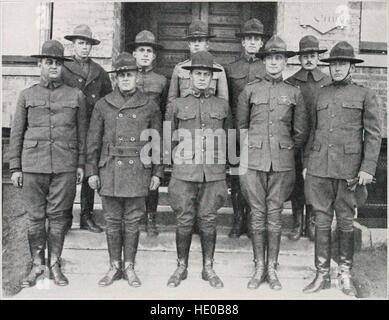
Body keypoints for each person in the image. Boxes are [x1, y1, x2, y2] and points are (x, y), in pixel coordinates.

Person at [303, 41, 381, 296]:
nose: (337, 69)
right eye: (334, 64)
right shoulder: (320, 93)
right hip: (319, 169)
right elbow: (312, 131)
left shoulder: (364, 94)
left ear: (351, 67)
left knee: (346, 223)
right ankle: (322, 274)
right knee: (322, 222)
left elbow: (373, 135)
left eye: (342, 64)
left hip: (349, 172)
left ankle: (345, 274)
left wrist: (367, 169)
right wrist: (307, 164)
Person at [9, 40, 87, 287]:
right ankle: (36, 265)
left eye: (57, 63)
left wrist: (81, 165)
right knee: (34, 218)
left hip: (65, 165)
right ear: (39, 64)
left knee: (58, 217)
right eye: (49, 62)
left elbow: (82, 134)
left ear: (63, 66)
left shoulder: (76, 95)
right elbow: (17, 133)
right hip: (33, 166)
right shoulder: (27, 95)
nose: (54, 67)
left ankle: (54, 263)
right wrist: (15, 167)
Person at [86, 52, 163, 287]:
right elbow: (93, 142)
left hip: (138, 169)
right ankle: (114, 266)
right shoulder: (103, 104)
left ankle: (129, 266)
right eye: (121, 75)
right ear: (116, 79)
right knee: (112, 220)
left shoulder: (150, 105)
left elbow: (156, 142)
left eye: (129, 74)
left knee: (132, 221)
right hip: (109, 168)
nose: (126, 79)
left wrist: (158, 173)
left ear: (137, 76)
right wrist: (92, 171)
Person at [237, 36, 308, 290]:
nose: (274, 63)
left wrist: (283, 149)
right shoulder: (250, 90)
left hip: (282, 163)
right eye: (270, 58)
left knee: (275, 215)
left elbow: (300, 133)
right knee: (257, 214)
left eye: (279, 58)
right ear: (264, 61)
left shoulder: (294, 93)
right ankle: (258, 267)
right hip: (253, 162)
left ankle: (272, 268)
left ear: (285, 62)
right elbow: (242, 128)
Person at [165, 51, 231, 288]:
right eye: (198, 74)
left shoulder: (222, 105)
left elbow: (229, 137)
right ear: (190, 76)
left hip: (213, 173)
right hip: (184, 173)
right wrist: (169, 168)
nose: (202, 78)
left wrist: (227, 169)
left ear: (212, 78)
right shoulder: (177, 104)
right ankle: (181, 266)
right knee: (184, 220)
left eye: (206, 74)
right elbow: (167, 139)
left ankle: (208, 268)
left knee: (208, 220)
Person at [62, 24, 113, 233]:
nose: (84, 48)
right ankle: (64, 216)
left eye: (87, 44)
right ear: (73, 45)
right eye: (80, 43)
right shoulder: (63, 69)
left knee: (89, 168)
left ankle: (86, 215)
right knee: (67, 171)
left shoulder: (99, 72)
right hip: (69, 126)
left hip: (92, 127)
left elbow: (107, 99)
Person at [285, 35, 331, 241]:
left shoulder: (328, 82)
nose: (309, 60)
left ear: (318, 57)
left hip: (319, 142)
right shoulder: (291, 82)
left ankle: (312, 222)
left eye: (313, 55)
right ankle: (297, 223)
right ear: (300, 58)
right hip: (297, 140)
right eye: (305, 56)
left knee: (314, 182)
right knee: (296, 183)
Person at [225, 18, 266, 238]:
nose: (252, 42)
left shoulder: (266, 67)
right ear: (243, 42)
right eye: (248, 38)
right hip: (235, 133)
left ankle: (252, 218)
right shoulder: (231, 68)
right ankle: (237, 218)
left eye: (256, 39)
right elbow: (227, 102)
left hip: (259, 132)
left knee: (255, 177)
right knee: (236, 177)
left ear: (261, 43)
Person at [130, 30, 168, 237]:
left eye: (149, 51)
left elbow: (163, 109)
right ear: (134, 54)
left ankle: (151, 218)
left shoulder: (161, 81)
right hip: (130, 134)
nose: (145, 54)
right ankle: (135, 217)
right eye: (141, 50)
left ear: (154, 56)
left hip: (152, 135)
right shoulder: (126, 77)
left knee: (153, 176)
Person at [167, 20, 228, 104]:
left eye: (200, 40)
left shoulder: (218, 70)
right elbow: (172, 100)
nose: (196, 44)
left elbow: (223, 101)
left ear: (207, 44)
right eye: (193, 41)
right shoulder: (179, 68)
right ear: (189, 44)